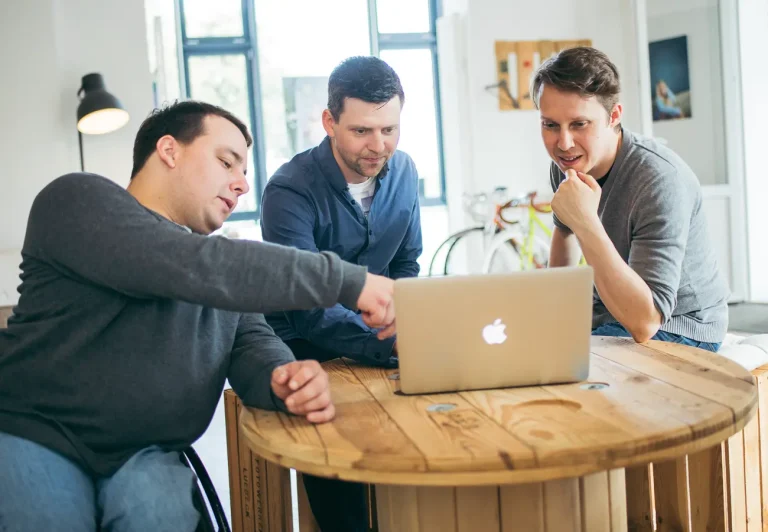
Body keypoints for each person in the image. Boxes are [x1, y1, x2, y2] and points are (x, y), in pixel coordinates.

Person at [0, 100, 397, 532]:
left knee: (157, 514)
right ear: (169, 150)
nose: (242, 184)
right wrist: (350, 282)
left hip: (148, 453)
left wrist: (287, 378)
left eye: (244, 171)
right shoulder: (75, 201)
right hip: (34, 434)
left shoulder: (218, 275)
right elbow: (188, 263)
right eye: (227, 162)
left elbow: (253, 343)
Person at [260, 55, 422, 532]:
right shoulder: (289, 190)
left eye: (390, 130)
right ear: (329, 122)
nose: (379, 146)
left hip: (383, 339)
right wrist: (392, 344)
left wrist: (410, 323)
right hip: (308, 346)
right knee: (341, 467)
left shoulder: (405, 171)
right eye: (362, 132)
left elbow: (405, 265)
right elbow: (308, 307)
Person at [532, 46, 729, 351]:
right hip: (610, 314)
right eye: (550, 125)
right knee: (537, 350)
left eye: (579, 124)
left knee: (570, 364)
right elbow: (564, 238)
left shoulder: (659, 180)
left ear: (614, 116)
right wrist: (556, 320)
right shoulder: (567, 163)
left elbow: (645, 322)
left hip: (681, 324)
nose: (564, 143)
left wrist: (586, 222)